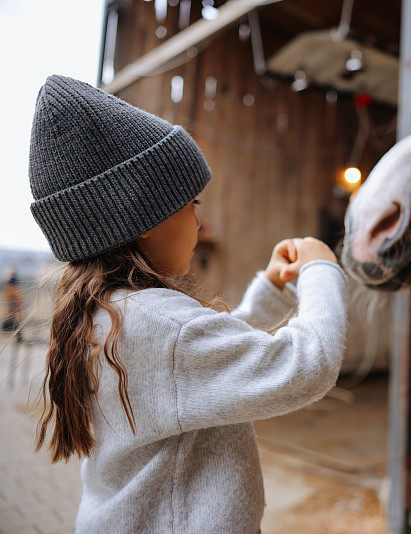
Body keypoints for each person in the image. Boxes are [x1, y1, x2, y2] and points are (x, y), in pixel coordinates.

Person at [28, 74, 349, 533]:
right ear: (141, 215)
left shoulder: (109, 313)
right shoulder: (159, 325)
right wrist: (321, 270)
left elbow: (196, 364)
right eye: (192, 203)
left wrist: (272, 291)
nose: (200, 221)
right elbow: (305, 366)